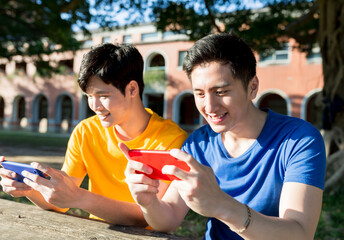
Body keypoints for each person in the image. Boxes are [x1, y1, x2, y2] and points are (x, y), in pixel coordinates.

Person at [121, 33, 326, 239]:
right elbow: (170, 218)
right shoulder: (198, 144)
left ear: (252, 87)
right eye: (199, 94)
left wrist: (221, 205)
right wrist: (148, 203)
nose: (209, 107)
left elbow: (300, 233)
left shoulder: (299, 140)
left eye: (221, 91)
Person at [0, 43, 187, 227]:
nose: (95, 106)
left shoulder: (171, 140)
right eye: (89, 96)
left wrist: (80, 197)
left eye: (103, 96)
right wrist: (29, 187)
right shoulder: (85, 131)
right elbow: (61, 201)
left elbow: (149, 216)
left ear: (132, 89)